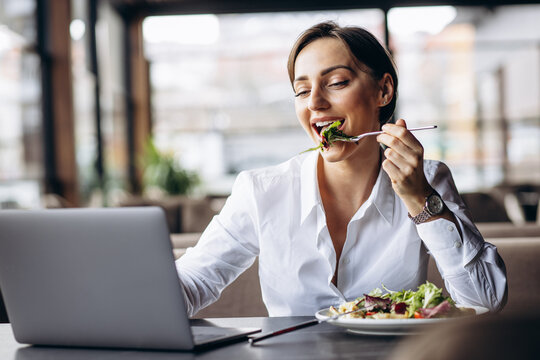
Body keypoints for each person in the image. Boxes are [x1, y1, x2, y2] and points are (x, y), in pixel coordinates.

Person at [175, 21, 507, 317]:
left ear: (383, 90)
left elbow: (485, 301)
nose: (314, 102)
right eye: (302, 90)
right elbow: (195, 280)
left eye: (336, 82)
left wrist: (421, 200)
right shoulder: (262, 190)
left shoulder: (427, 180)